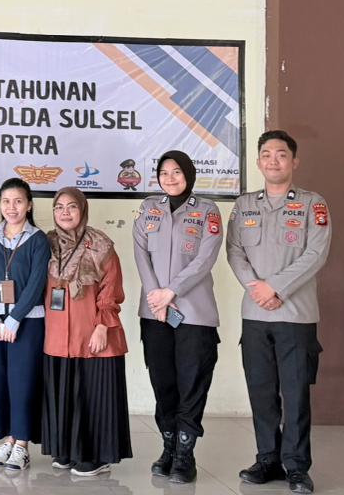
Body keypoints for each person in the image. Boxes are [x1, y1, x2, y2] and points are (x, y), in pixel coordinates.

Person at [227, 130, 331, 495]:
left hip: (296, 316)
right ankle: (267, 459)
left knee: (296, 394)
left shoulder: (312, 204)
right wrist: (256, 288)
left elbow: (315, 254)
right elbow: (235, 251)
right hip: (255, 315)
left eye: (282, 154)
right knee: (261, 392)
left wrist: (275, 288)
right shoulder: (244, 205)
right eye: (267, 154)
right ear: (258, 162)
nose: (274, 160)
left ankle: (297, 467)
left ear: (294, 162)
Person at [132, 150, 223, 483]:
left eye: (176, 172)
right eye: (164, 173)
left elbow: (205, 259)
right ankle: (168, 447)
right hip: (155, 313)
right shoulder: (149, 209)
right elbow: (140, 253)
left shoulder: (208, 211)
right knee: (164, 383)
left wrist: (171, 291)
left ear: (189, 174)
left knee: (192, 383)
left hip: (194, 313)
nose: (170, 178)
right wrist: (156, 295)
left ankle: (186, 454)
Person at [41, 186, 132, 476]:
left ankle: (96, 456)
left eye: (72, 206)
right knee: (66, 393)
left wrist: (103, 326)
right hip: (58, 335)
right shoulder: (46, 243)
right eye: (59, 207)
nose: (65, 212)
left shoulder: (100, 244)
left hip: (92, 332)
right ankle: (67, 449)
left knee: (93, 396)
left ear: (83, 210)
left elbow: (111, 288)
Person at [0, 178, 49, 472]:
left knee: (23, 383)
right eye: (6, 201)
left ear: (29, 205)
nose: (11, 207)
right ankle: (8, 439)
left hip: (27, 323)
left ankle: (22, 445)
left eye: (18, 201)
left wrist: (16, 318)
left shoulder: (38, 240)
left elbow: (36, 284)